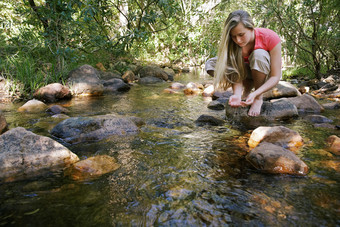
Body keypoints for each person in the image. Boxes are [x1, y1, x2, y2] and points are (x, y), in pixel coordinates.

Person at [205, 10, 282, 116]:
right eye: (234, 36)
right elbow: (234, 68)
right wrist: (236, 94)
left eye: (241, 34)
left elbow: (275, 76)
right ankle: (246, 89)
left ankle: (258, 98)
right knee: (211, 64)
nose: (238, 40)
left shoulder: (270, 37)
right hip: (245, 72)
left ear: (251, 27)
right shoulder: (233, 43)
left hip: (264, 74)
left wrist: (256, 94)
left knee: (258, 54)